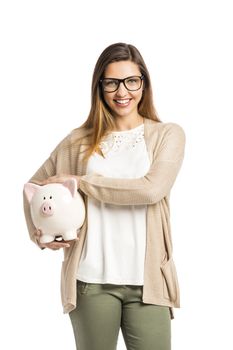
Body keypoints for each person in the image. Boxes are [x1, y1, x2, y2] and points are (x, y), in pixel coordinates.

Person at [23, 42, 185, 350]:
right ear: (100, 86)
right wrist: (41, 233)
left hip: (148, 283)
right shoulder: (79, 141)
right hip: (90, 280)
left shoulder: (168, 135)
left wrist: (83, 183)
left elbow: (152, 189)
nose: (122, 92)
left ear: (144, 84)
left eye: (131, 81)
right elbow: (34, 185)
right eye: (111, 82)